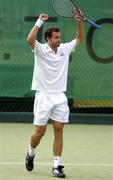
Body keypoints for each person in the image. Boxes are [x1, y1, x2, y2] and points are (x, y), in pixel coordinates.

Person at [25, 12, 84, 178]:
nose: (59, 39)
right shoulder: (40, 50)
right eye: (56, 37)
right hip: (43, 96)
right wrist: (39, 21)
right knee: (40, 132)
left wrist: (79, 22)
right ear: (48, 39)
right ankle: (30, 152)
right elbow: (30, 40)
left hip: (59, 96)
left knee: (59, 130)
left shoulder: (64, 49)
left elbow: (79, 39)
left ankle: (56, 166)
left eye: (59, 37)